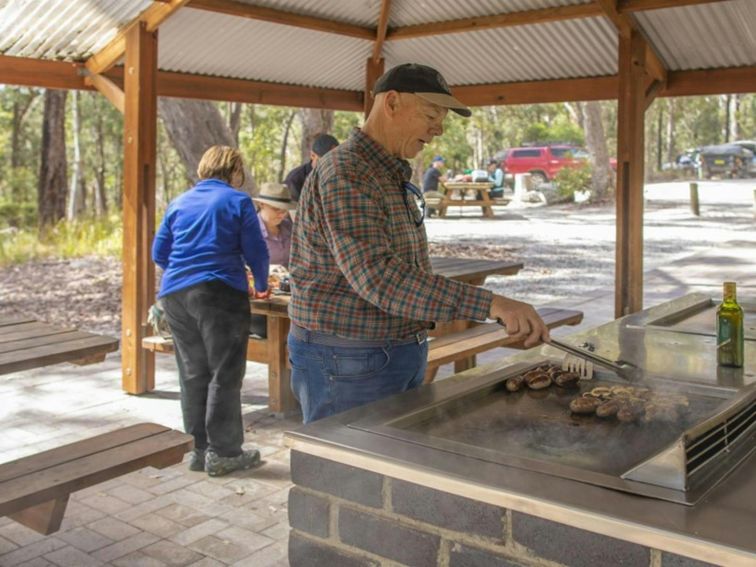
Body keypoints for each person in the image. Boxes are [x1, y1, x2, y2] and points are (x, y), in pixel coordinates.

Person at [287, 63, 549, 423]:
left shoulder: (385, 170)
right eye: (431, 114)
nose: (439, 129)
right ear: (391, 102)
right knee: (349, 475)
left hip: (391, 351)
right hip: (347, 361)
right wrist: (491, 304)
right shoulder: (346, 171)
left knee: (388, 471)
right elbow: (379, 278)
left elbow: (400, 270)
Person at [152, 145, 270, 476]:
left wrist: (184, 271)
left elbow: (159, 251)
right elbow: (256, 250)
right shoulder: (237, 201)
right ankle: (224, 452)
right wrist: (260, 284)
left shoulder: (179, 201)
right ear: (234, 171)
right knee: (225, 372)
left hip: (175, 295)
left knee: (193, 373)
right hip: (219, 294)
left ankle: (198, 449)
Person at [249, 182, 296, 338]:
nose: (282, 214)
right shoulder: (249, 230)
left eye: (284, 210)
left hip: (289, 298)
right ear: (262, 204)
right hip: (260, 305)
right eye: (276, 209)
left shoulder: (290, 227)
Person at [284, 133, 339, 202]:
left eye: (333, 160)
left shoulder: (338, 176)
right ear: (312, 155)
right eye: (324, 161)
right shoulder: (295, 179)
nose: (329, 165)